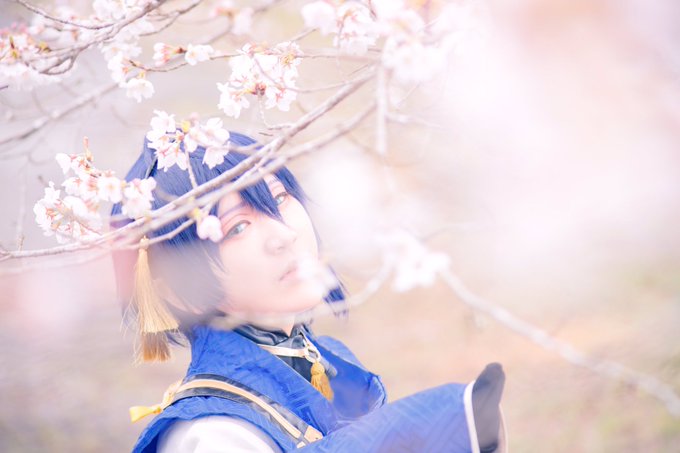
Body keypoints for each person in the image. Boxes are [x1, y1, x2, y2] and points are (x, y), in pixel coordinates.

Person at [112, 131, 507, 453]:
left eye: (279, 200)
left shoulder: (328, 360)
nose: (283, 235)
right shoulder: (211, 435)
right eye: (237, 227)